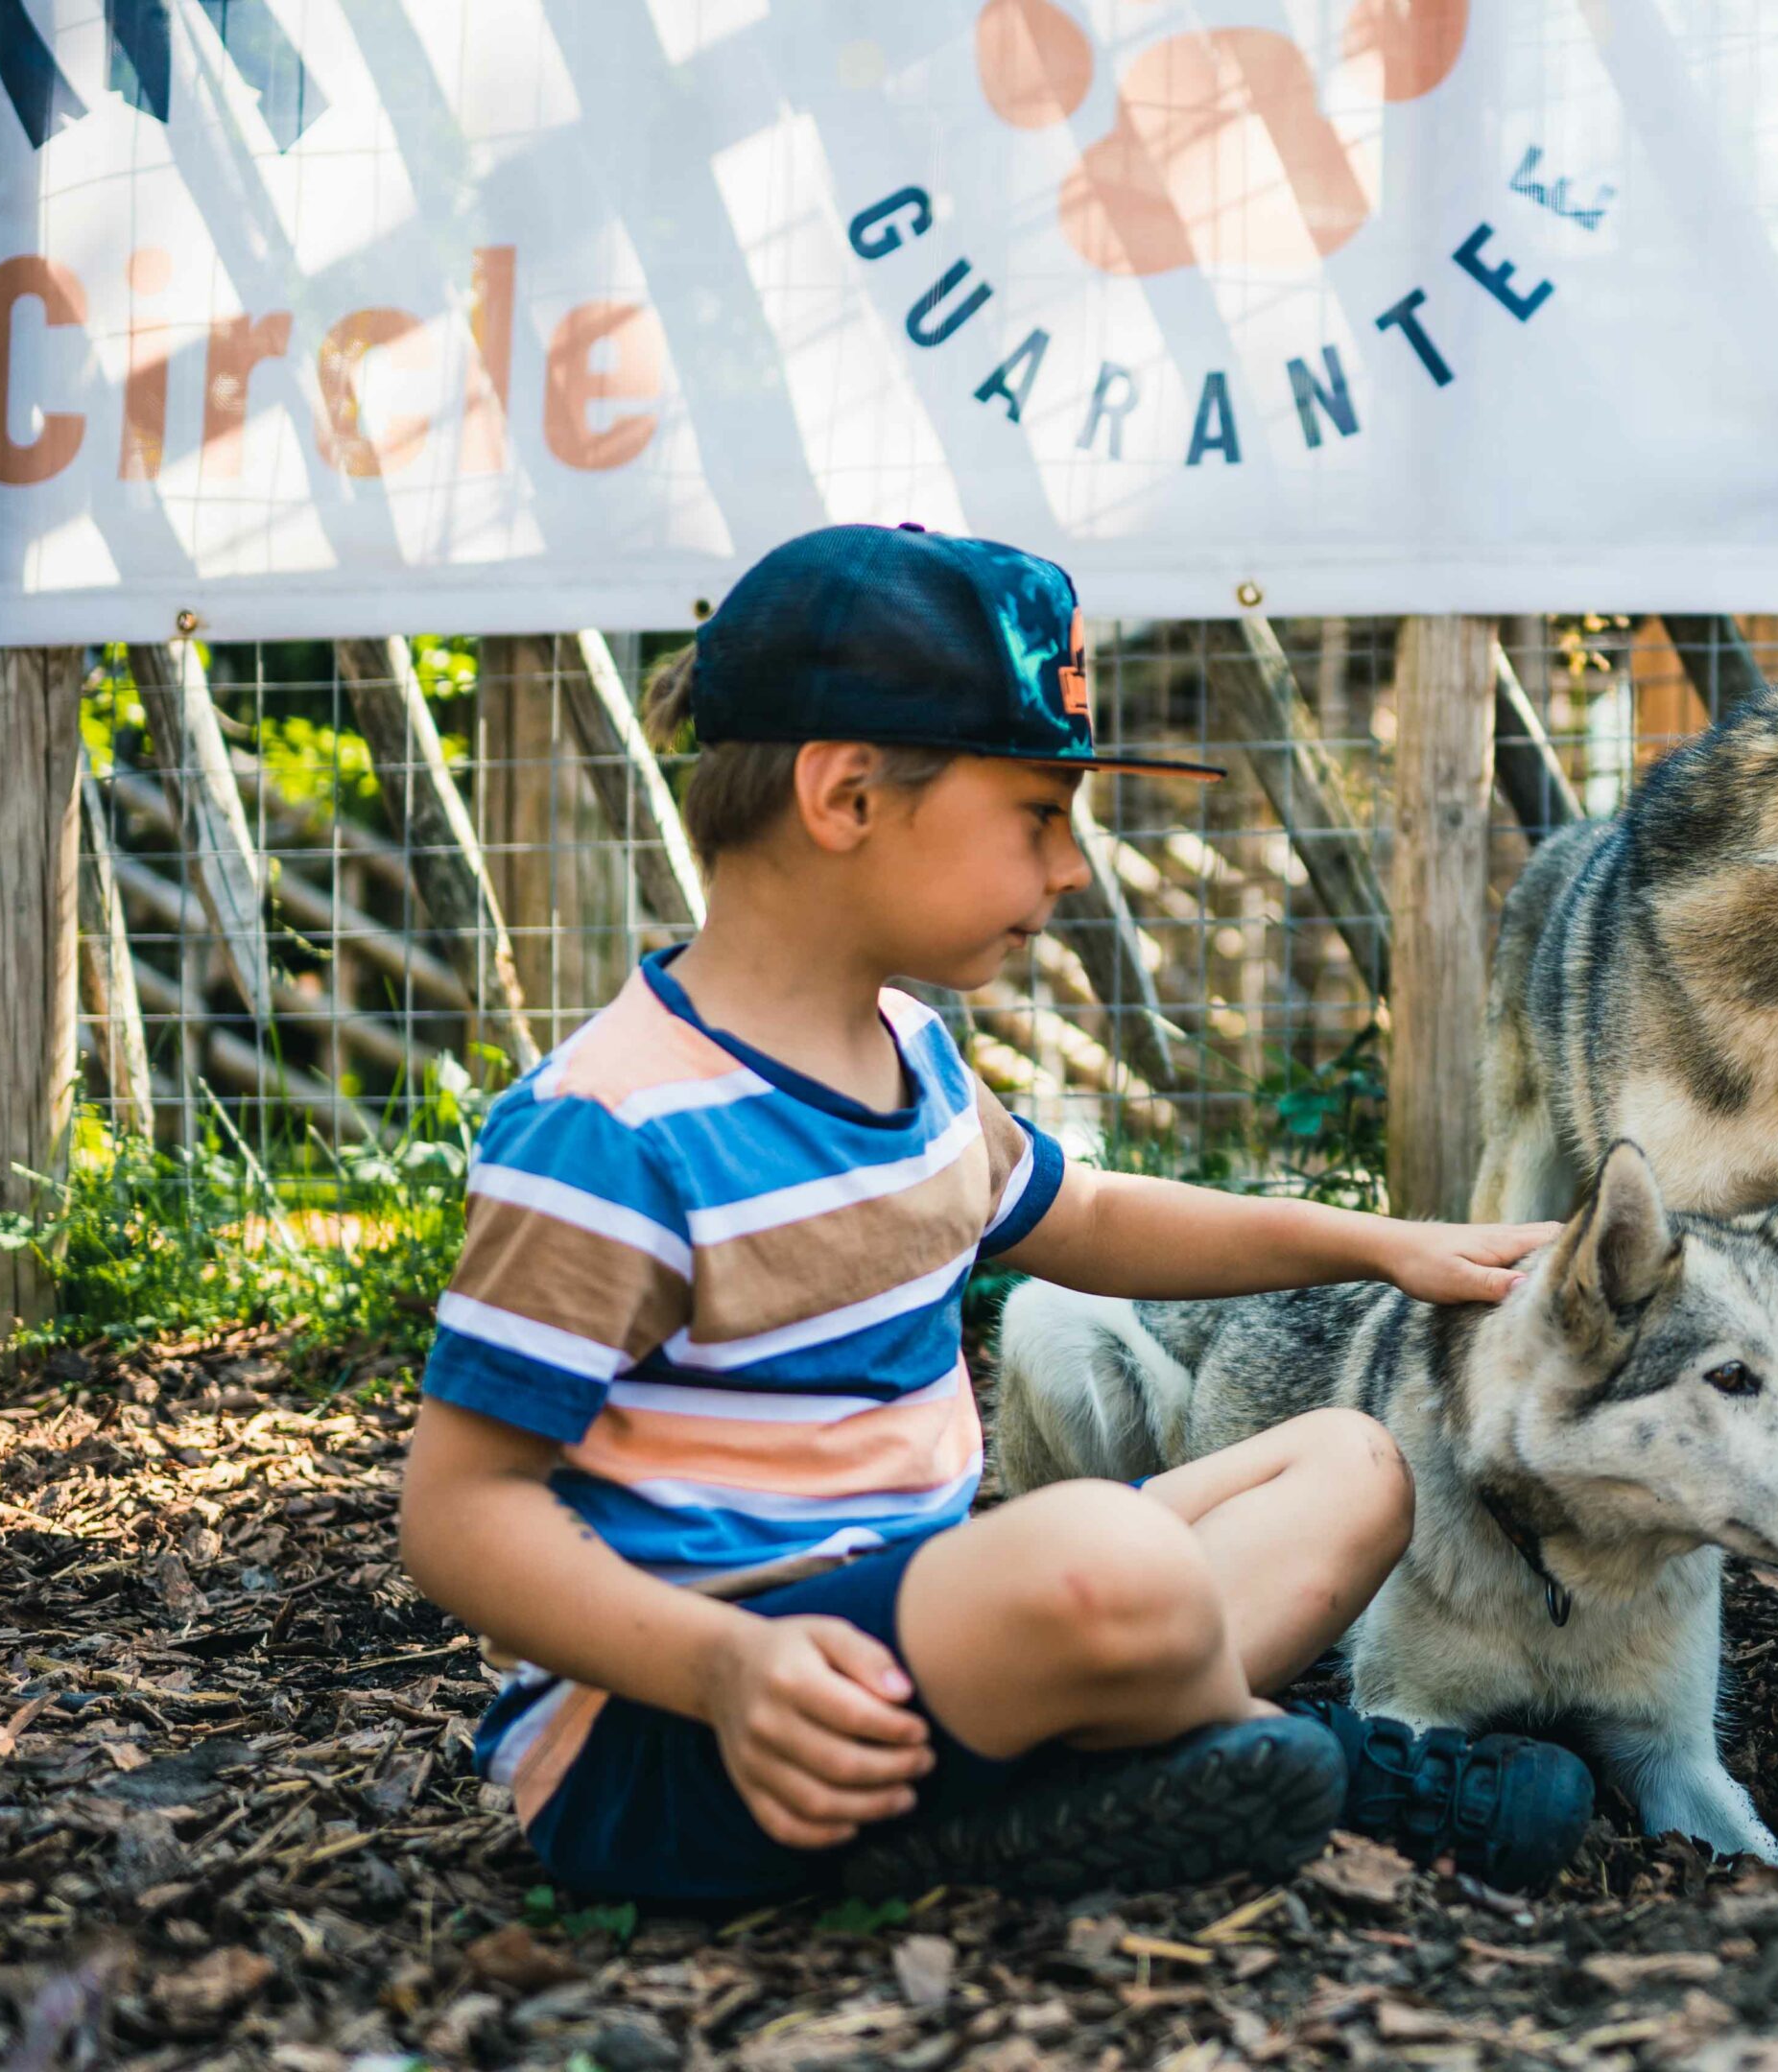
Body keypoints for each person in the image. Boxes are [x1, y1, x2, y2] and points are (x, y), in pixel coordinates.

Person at [399, 524, 1599, 1903]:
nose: (1074, 867)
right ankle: (1282, 1761)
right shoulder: (611, 1130)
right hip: (697, 1736)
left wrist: (1378, 1245)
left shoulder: (911, 1057)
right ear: (846, 796)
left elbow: (1077, 1213)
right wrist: (726, 1667)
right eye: (1039, 816)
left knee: (1349, 1464)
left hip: (931, 1630)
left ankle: (1058, 1781)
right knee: (1101, 1560)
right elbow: (457, 1513)